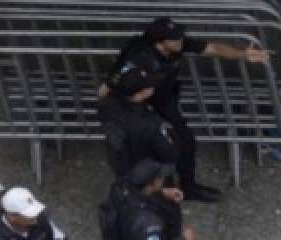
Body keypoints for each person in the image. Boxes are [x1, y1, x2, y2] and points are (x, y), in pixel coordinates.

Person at [106, 17, 270, 202]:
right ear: (160, 43)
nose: (180, 41)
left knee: (185, 141)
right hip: (138, 107)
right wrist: (129, 105)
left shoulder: (178, 45)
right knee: (153, 149)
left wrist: (243, 54)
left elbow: (213, 48)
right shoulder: (137, 56)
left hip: (164, 100)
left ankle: (188, 187)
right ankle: (157, 193)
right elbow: (107, 88)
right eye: (174, 39)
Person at [97, 62, 179, 180]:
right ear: (141, 94)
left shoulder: (107, 107)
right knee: (168, 165)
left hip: (122, 167)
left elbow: (103, 93)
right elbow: (172, 153)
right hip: (147, 172)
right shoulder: (152, 123)